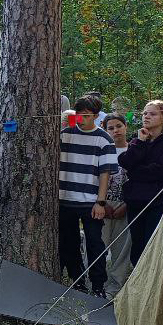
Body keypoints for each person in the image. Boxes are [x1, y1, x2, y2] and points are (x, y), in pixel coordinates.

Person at [56, 95, 117, 295]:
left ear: (97, 116)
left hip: (90, 201)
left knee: (94, 243)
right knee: (69, 242)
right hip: (65, 199)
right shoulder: (65, 134)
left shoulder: (104, 139)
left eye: (86, 115)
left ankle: (98, 284)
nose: (81, 119)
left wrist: (101, 202)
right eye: (79, 114)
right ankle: (77, 279)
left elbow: (105, 174)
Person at [119, 100, 163, 266]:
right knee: (138, 246)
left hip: (158, 202)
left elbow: (160, 171)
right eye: (145, 113)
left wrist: (135, 171)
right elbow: (125, 161)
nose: (146, 116)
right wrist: (140, 143)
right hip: (136, 201)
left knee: (153, 246)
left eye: (152, 113)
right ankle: (137, 286)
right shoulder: (139, 138)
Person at [101, 114, 133, 297]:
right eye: (111, 128)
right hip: (102, 206)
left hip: (125, 205)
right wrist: (101, 203)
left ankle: (115, 290)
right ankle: (95, 285)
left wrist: (126, 205)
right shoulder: (102, 150)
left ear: (125, 126)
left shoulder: (134, 150)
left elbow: (138, 181)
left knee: (122, 251)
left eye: (118, 126)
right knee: (98, 247)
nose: (115, 131)